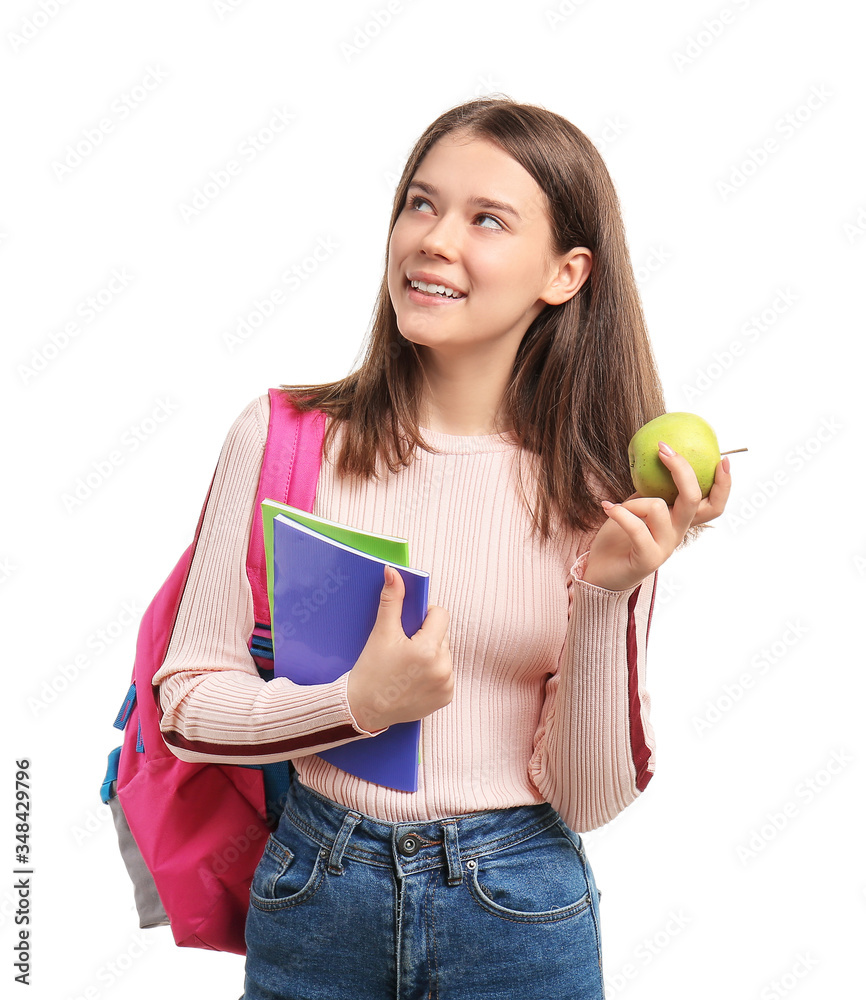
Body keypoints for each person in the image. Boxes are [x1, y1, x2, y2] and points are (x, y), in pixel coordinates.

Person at [153, 95, 731, 999]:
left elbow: (589, 800)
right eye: (421, 204)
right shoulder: (282, 436)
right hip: (317, 892)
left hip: (518, 909)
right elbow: (186, 702)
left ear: (566, 273)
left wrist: (610, 592)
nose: (433, 238)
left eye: (486, 219)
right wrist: (356, 704)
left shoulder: (604, 492)